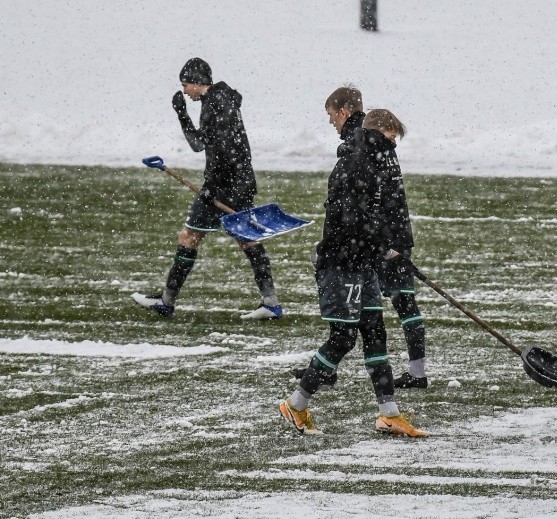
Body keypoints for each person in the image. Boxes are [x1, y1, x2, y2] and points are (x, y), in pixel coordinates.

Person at [279, 95, 427, 437]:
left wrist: (387, 247)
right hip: (342, 264)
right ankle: (295, 405)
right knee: (343, 338)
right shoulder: (356, 164)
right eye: (390, 140)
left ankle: (388, 414)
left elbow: (372, 217)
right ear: (377, 135)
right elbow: (352, 221)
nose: (392, 149)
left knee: (375, 333)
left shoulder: (372, 161)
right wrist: (383, 246)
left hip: (363, 263)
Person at [131, 57, 282, 320]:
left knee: (189, 237)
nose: (185, 91)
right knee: (247, 240)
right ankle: (271, 302)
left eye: (185, 85)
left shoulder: (215, 103)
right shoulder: (222, 99)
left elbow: (207, 146)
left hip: (225, 186)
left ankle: (167, 302)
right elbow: (213, 145)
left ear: (198, 82)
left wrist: (181, 114)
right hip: (238, 183)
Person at [361, 109, 429, 389]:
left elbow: (379, 205)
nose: (394, 141)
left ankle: (416, 373)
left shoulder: (376, 153)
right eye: (391, 135)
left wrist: (387, 246)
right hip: (394, 240)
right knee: (403, 305)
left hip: (387, 244)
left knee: (369, 309)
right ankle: (417, 372)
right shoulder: (384, 153)